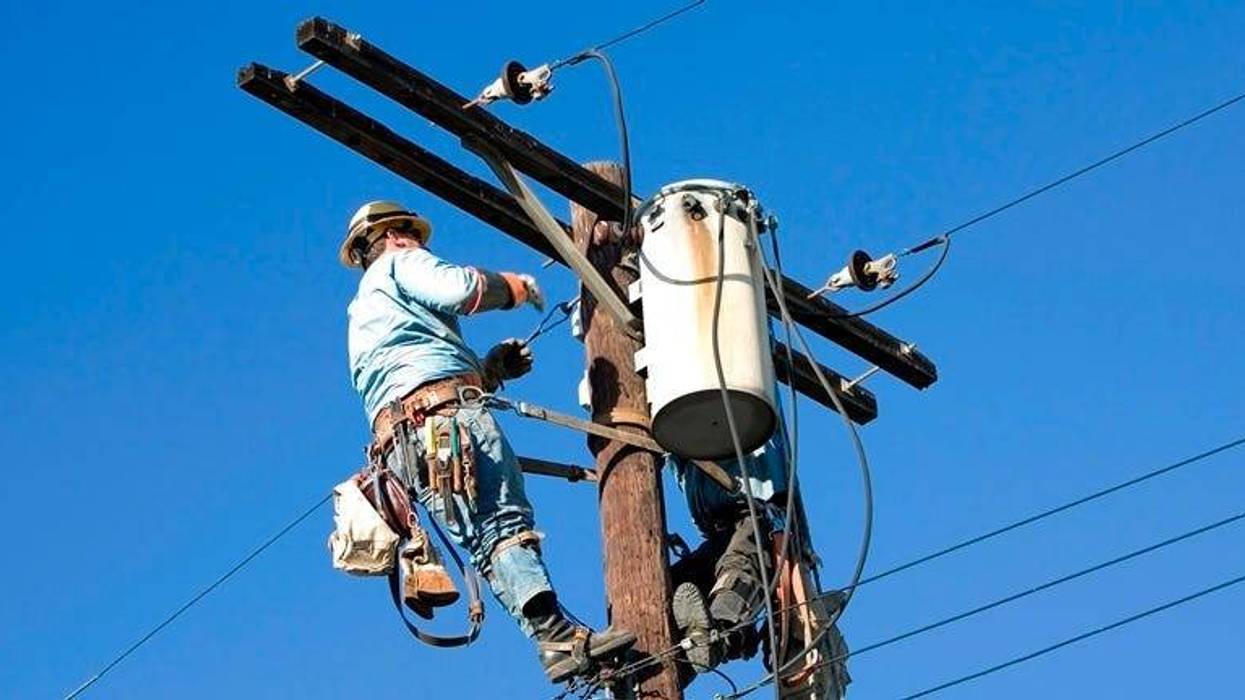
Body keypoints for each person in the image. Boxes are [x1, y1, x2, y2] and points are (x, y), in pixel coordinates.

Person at [342, 200, 634, 682]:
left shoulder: (363, 311)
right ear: (394, 235)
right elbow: (460, 289)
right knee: (501, 523)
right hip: (445, 423)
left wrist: (489, 371)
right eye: (413, 237)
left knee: (486, 538)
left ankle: (554, 638)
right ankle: (557, 636)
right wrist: (517, 288)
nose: (419, 245)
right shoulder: (400, 262)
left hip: (406, 445)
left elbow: (416, 370)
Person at [668, 420, 850, 697]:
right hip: (720, 528)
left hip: (757, 511)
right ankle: (661, 658)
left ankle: (719, 634)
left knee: (742, 563)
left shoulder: (745, 415)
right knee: (674, 584)